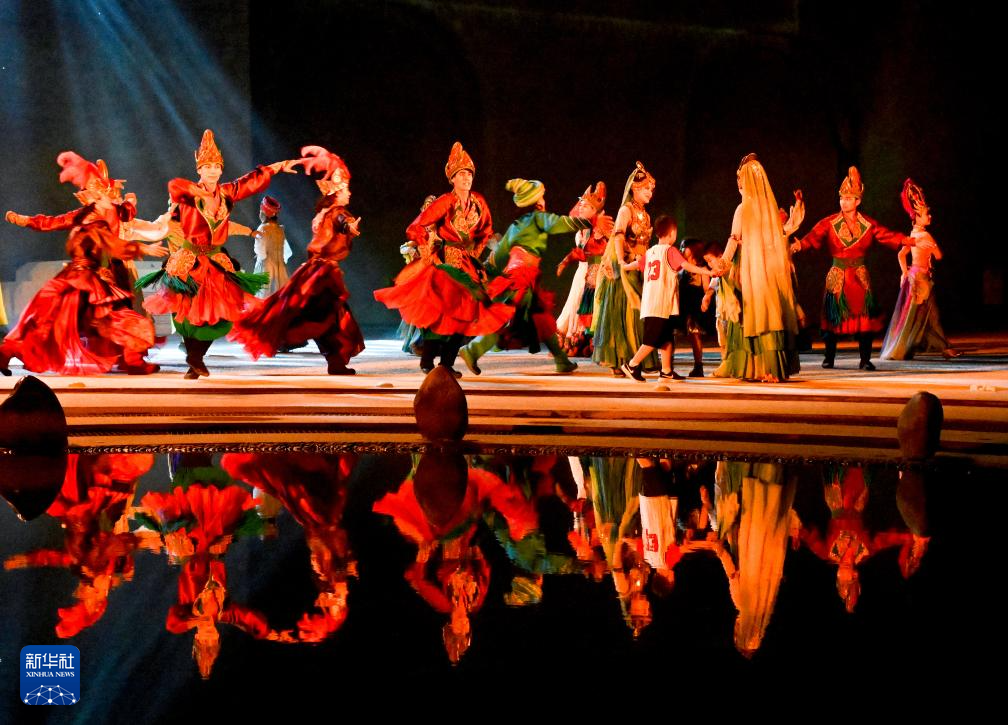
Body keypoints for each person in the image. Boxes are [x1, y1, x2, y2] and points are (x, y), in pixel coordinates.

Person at [138, 129, 300, 378]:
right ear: (199, 170)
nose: (213, 171)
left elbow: (249, 182)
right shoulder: (189, 194)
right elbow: (174, 187)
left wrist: (276, 167)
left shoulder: (225, 193)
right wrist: (195, 191)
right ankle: (194, 358)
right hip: (189, 261)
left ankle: (196, 358)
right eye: (207, 166)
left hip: (214, 260)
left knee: (222, 314)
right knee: (188, 314)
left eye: (216, 166)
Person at [2, 152, 167, 375]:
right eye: (104, 193)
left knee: (55, 318)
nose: (111, 196)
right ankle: (132, 359)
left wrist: (131, 202)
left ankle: (130, 358)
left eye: (110, 192)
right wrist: (26, 220)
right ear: (94, 197)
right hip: (87, 278)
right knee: (51, 319)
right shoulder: (90, 219)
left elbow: (126, 213)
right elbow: (55, 223)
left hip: (97, 274)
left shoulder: (114, 211)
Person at [374, 141, 512, 376]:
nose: (466, 178)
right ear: (452, 179)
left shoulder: (478, 202)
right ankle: (427, 360)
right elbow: (416, 226)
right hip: (445, 263)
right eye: (461, 174)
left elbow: (486, 229)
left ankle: (446, 363)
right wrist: (428, 251)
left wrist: (475, 252)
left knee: (467, 314)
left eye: (469, 174)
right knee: (442, 314)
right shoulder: (445, 201)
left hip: (466, 264)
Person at [229, 147, 364, 374]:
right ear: (336, 192)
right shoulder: (336, 212)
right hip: (322, 272)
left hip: (314, 270)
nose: (349, 193)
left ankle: (331, 357)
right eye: (346, 189)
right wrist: (349, 226)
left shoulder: (323, 213)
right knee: (327, 314)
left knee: (320, 313)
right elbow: (342, 220)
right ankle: (327, 355)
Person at [791, 166, 933, 370]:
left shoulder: (868, 224)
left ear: (858, 201)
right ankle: (829, 356)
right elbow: (813, 236)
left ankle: (865, 359)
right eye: (842, 198)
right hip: (837, 275)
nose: (844, 202)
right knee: (832, 317)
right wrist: (799, 245)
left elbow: (886, 235)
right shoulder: (829, 223)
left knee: (865, 320)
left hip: (859, 276)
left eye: (848, 199)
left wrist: (911, 241)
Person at [459, 177, 591, 375]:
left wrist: (484, 270)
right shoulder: (538, 218)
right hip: (522, 276)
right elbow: (559, 223)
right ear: (536, 201)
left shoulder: (516, 225)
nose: (544, 200)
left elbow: (498, 256)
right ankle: (472, 350)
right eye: (542, 197)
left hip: (519, 275)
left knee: (540, 317)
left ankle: (561, 361)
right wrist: (588, 221)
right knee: (514, 318)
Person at [710, 153, 800, 382]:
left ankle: (755, 367)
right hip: (769, 270)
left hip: (750, 269)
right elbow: (780, 236)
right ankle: (773, 369)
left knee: (752, 313)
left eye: (740, 179)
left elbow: (733, 239)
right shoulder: (769, 209)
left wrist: (723, 263)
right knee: (770, 313)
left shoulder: (743, 209)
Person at [620, 216, 711, 381]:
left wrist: (625, 266)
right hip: (660, 303)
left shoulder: (650, 252)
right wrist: (707, 271)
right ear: (672, 234)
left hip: (653, 302)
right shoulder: (670, 251)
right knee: (652, 340)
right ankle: (632, 365)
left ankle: (666, 371)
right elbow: (686, 266)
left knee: (667, 338)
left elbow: (637, 264)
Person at [879, 179, 960, 360]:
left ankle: (914, 347)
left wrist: (905, 273)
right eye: (926, 214)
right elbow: (939, 256)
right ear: (917, 217)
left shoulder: (913, 235)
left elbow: (901, 255)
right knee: (929, 316)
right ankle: (943, 348)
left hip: (914, 277)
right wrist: (933, 248)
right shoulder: (925, 235)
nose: (929, 216)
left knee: (916, 317)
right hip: (921, 279)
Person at [592, 161, 659, 376]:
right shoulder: (626, 210)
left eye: (651, 189)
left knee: (640, 313)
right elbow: (618, 235)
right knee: (625, 311)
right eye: (646, 188)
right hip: (625, 266)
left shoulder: (645, 215)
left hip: (640, 267)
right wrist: (621, 261)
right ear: (635, 188)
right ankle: (620, 359)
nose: (650, 193)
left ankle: (636, 359)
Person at [555, 182, 612, 357]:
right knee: (575, 303)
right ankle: (575, 341)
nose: (580, 208)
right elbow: (579, 252)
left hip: (597, 271)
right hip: (582, 271)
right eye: (581, 204)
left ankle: (590, 342)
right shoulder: (581, 231)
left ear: (594, 210)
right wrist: (565, 262)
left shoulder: (601, 226)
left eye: (585, 206)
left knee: (592, 305)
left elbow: (610, 247)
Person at [252, 195, 292, 298]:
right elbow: (286, 251)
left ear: (264, 213)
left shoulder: (263, 228)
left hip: (266, 267)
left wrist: (259, 255)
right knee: (279, 296)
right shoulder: (280, 229)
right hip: (280, 268)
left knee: (263, 296)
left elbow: (261, 252)